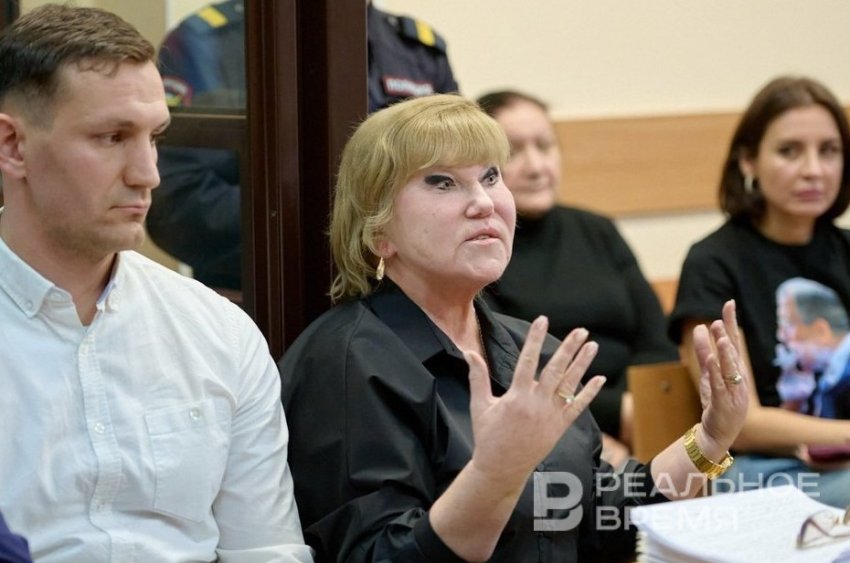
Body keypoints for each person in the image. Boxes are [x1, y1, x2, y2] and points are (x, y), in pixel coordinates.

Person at [279, 94, 748, 562]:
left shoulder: (532, 349)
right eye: (443, 182)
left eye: (490, 176)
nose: (484, 203)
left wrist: (709, 440)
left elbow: (599, 523)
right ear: (379, 231)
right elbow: (380, 554)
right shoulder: (346, 363)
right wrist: (493, 476)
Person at [0, 5, 312, 561]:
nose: (148, 174)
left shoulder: (219, 332)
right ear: (13, 146)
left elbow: (267, 550)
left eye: (155, 138)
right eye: (112, 137)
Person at [146, 0, 459, 289]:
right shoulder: (208, 42)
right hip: (259, 298)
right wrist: (342, 231)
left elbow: (459, 175)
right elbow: (178, 207)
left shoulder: (418, 51)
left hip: (404, 299)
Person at [669, 76, 850, 508]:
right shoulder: (713, 261)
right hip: (761, 470)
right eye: (790, 151)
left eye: (829, 151)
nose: (813, 169)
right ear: (748, 161)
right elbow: (742, 423)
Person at [476, 90, 678, 467]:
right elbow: (507, 366)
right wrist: (612, 416)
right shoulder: (482, 247)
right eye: (513, 152)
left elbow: (655, 339)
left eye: (545, 146)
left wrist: (639, 411)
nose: (536, 166)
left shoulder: (597, 230)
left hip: (644, 417)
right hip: (550, 429)